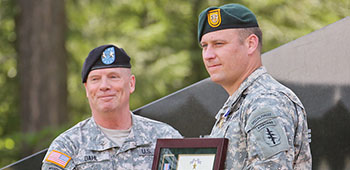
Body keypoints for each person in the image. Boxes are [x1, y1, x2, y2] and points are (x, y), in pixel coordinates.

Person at [197, 3, 312, 169]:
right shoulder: (241, 102)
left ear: (250, 44)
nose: (208, 55)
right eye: (204, 46)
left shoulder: (266, 101)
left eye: (219, 44)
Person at [42, 44, 182, 169]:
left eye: (113, 77)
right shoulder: (67, 148)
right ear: (86, 88)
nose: (104, 86)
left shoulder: (165, 138)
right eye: (95, 79)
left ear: (131, 83)